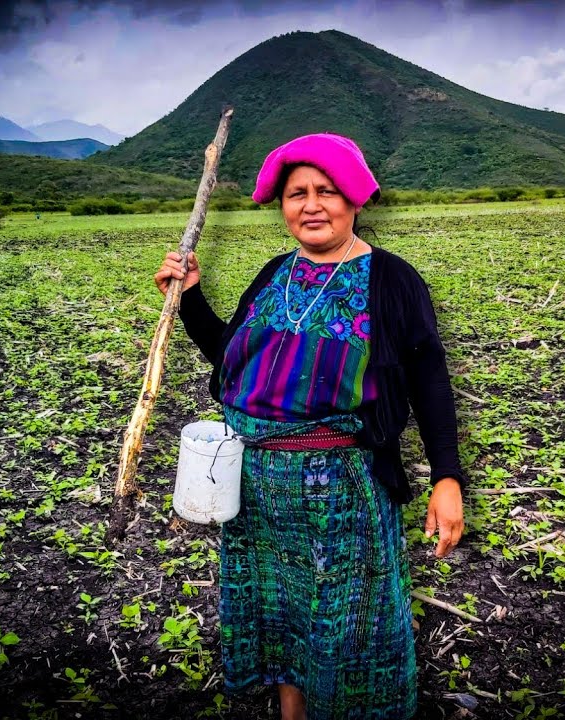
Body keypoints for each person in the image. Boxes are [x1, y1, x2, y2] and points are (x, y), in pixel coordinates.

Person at [154, 133, 466, 720]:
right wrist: (190, 299)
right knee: (282, 620)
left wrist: (447, 477)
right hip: (257, 493)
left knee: (349, 626)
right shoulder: (275, 274)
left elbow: (429, 382)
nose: (312, 205)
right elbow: (232, 357)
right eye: (297, 193)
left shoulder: (391, 280)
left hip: (341, 493)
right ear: (283, 205)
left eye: (327, 191)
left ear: (355, 200)